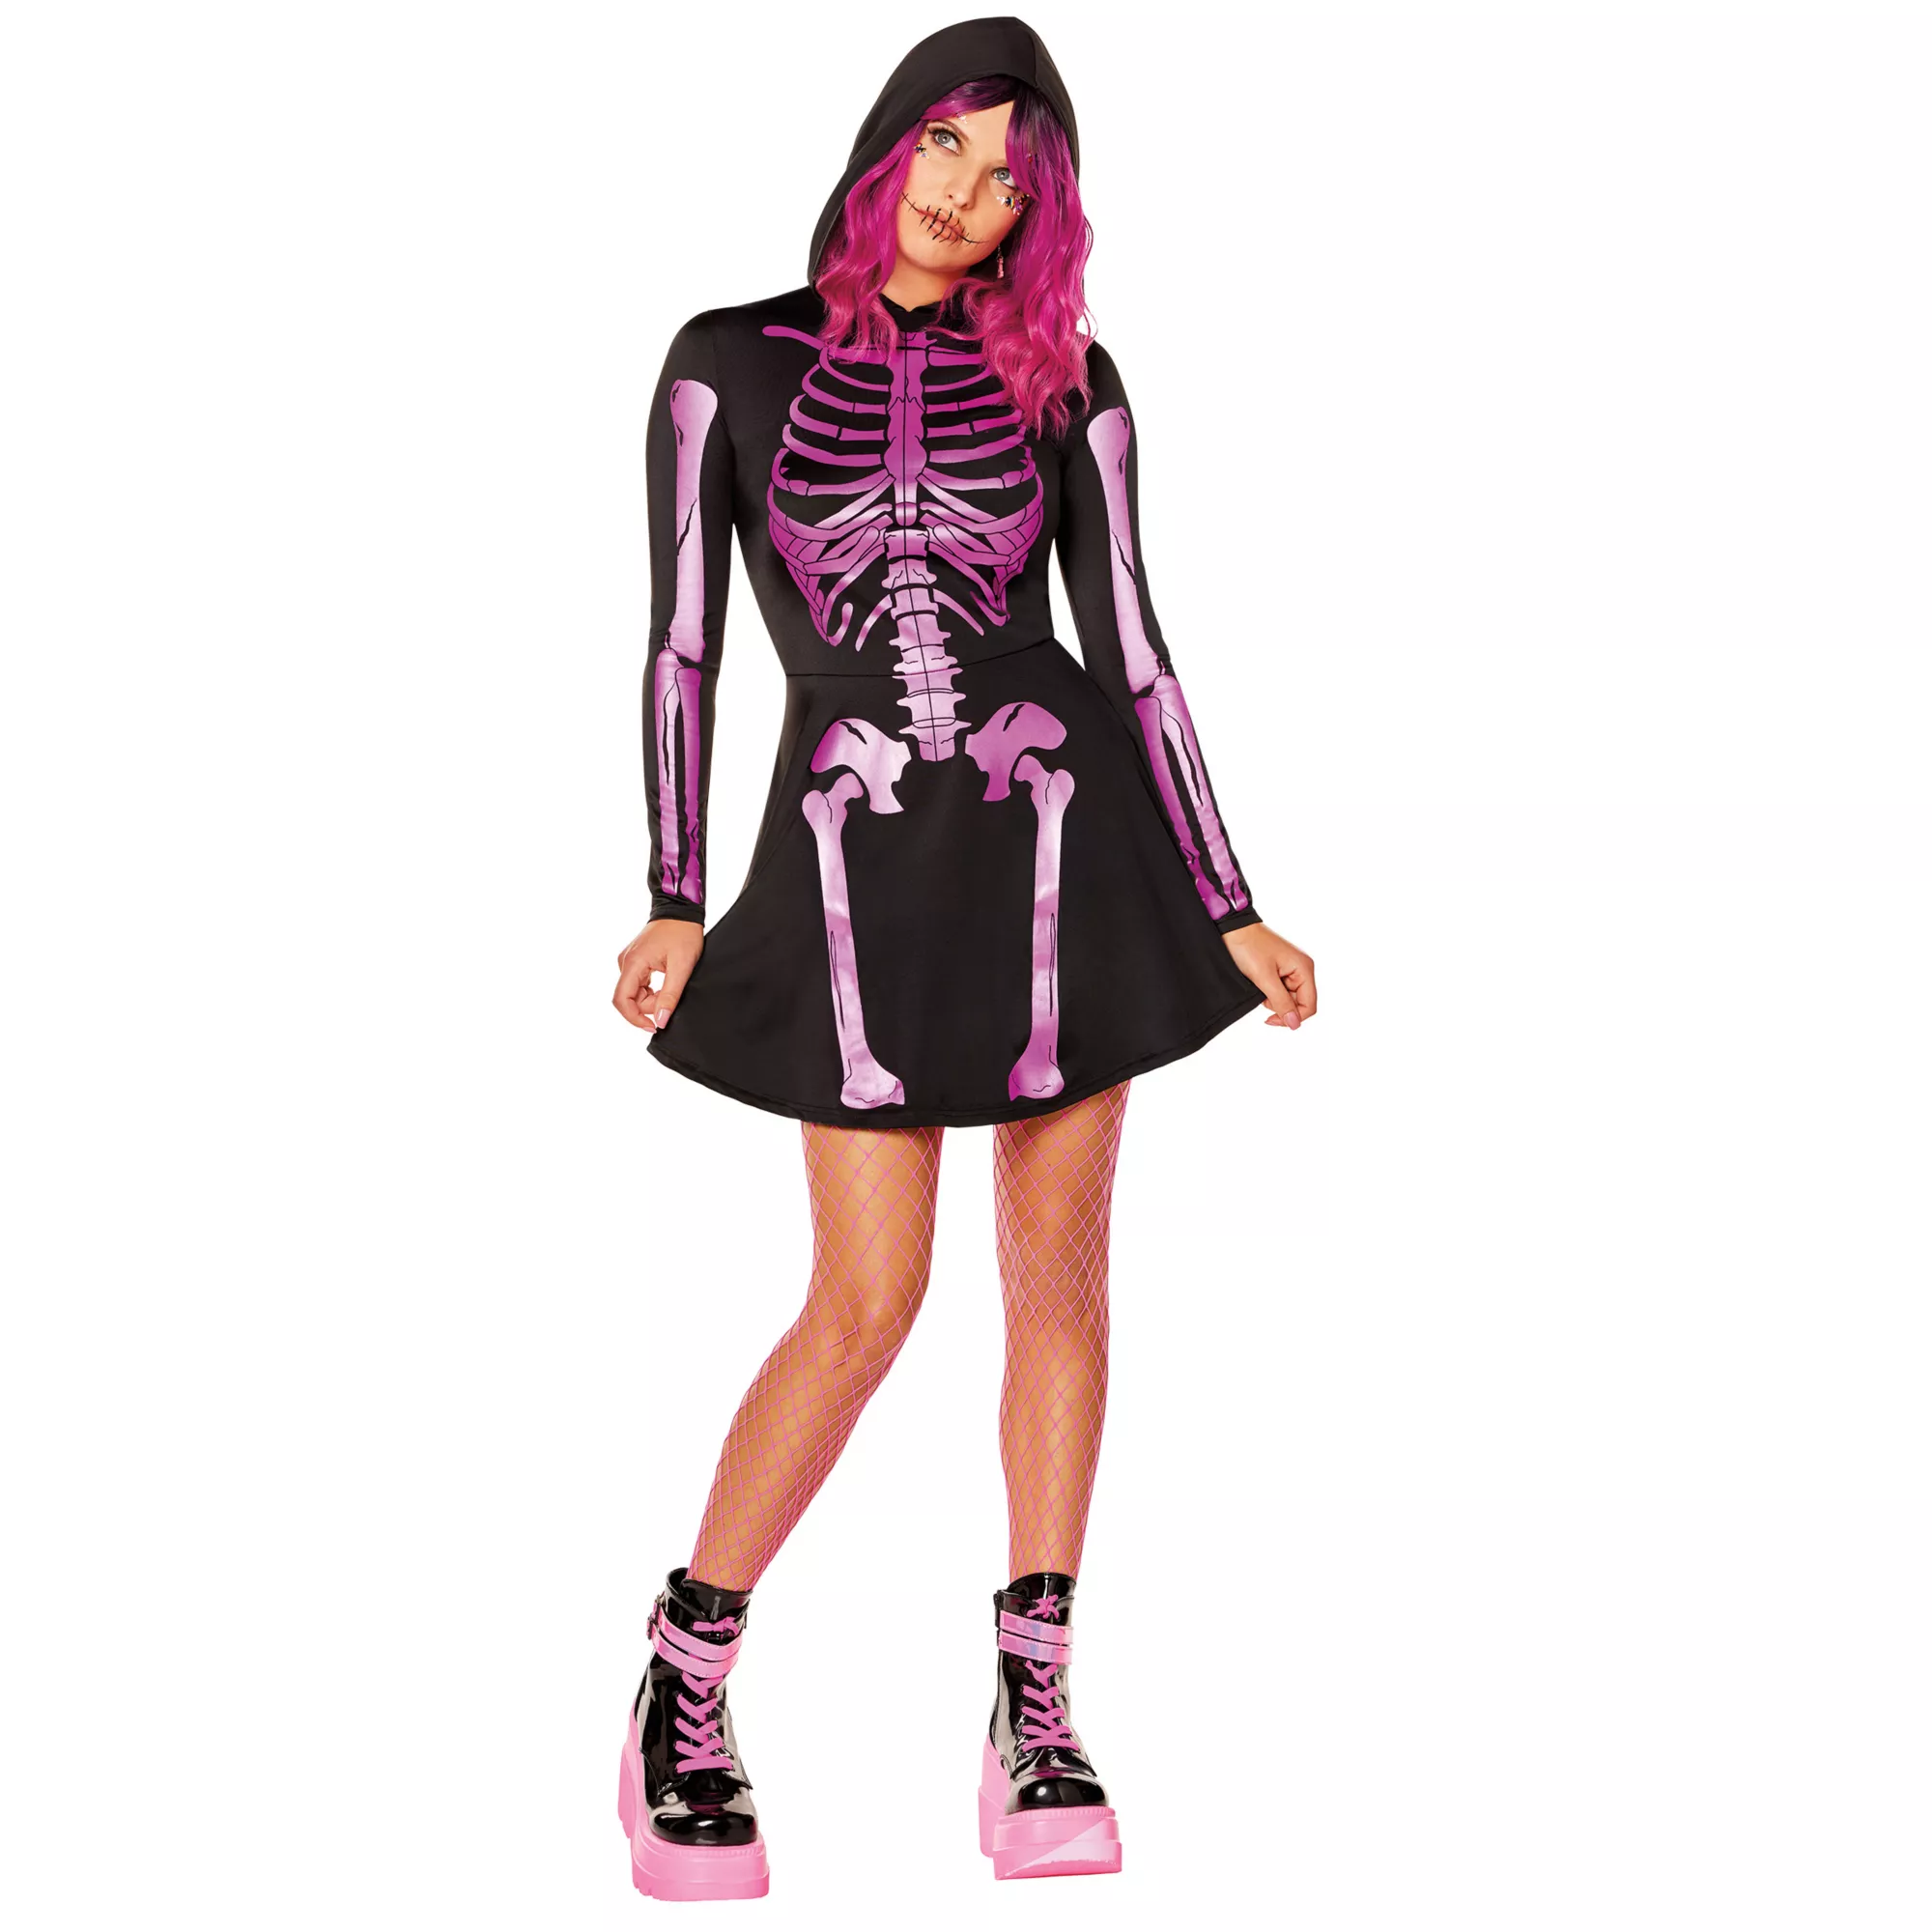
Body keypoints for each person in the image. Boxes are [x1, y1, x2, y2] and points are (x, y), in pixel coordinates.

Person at [610, 15, 1317, 1901]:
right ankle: (684, 1671)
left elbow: (1135, 644)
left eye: (1011, 173)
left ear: (1038, 211)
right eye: (945, 143)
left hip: (1060, 833)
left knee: (1059, 1283)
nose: (965, 191)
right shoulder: (725, 365)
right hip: (850, 838)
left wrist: (1228, 896)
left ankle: (1036, 1703)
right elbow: (683, 641)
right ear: (883, 146)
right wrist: (674, 888)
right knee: (868, 1298)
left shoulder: (1066, 377)